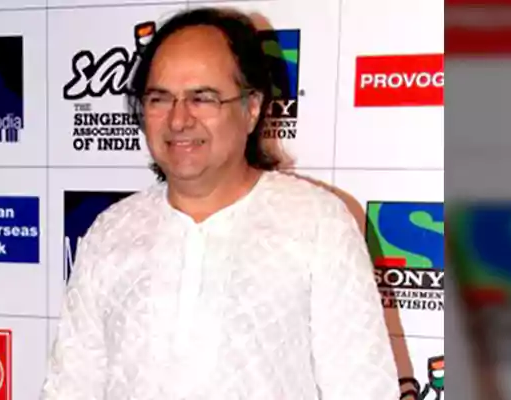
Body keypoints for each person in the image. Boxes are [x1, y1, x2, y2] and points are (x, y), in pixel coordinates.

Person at [41, 7, 399, 400]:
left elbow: (363, 389)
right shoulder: (111, 231)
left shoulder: (317, 224)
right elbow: (69, 387)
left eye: (203, 98)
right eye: (160, 98)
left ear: (251, 108)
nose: (178, 120)